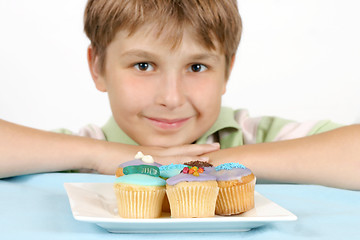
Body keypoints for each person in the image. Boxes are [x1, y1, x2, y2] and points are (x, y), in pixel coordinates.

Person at [0, 0, 359, 190]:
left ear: (227, 71)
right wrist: (104, 156)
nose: (171, 98)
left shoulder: (255, 137)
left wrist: (206, 167)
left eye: (197, 67)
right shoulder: (76, 153)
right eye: (143, 66)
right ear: (98, 68)